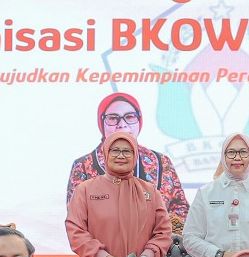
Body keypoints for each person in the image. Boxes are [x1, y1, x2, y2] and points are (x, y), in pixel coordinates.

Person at [65, 130, 173, 257]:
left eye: (127, 151)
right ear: (105, 154)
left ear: (135, 155)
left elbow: (163, 232)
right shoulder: (85, 190)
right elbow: (76, 231)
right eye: (115, 150)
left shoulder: (150, 192)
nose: (121, 156)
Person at [66, 91, 189, 225]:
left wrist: (160, 233)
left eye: (130, 117)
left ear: (139, 121)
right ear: (101, 123)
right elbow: (77, 221)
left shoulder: (161, 162)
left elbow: (180, 208)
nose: (122, 124)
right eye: (113, 118)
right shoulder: (83, 166)